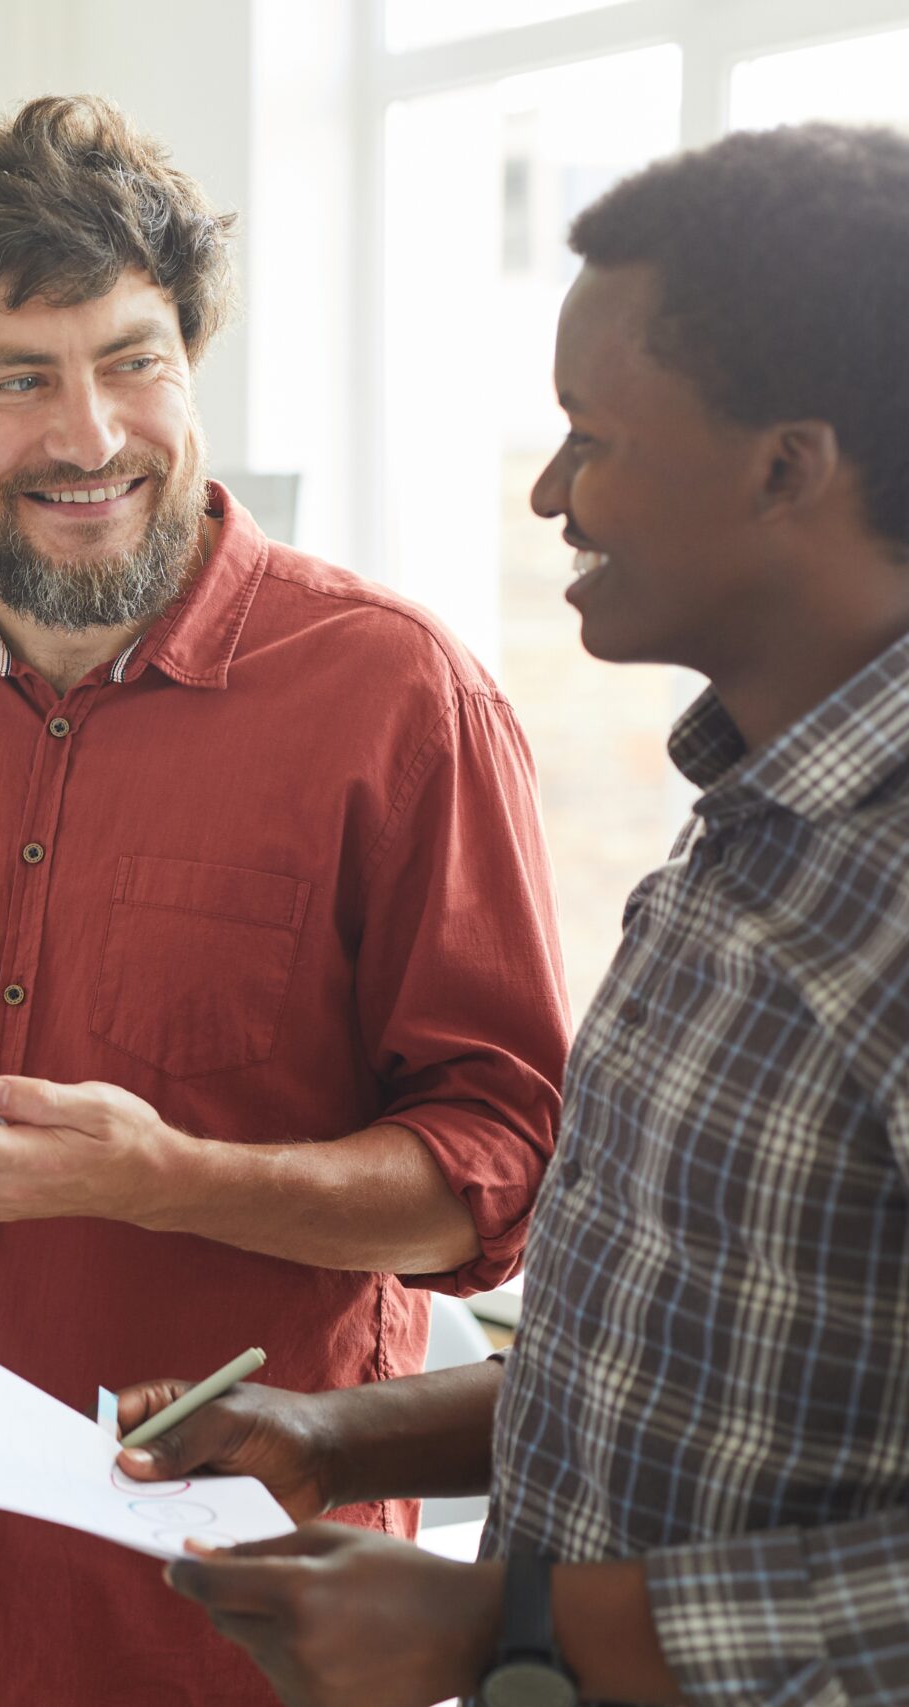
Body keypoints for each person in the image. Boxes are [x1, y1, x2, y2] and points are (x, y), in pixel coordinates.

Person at [0, 96, 571, 1706]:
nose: (91, 436)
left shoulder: (398, 700)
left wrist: (163, 1178)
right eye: (16, 379)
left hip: (208, 1635)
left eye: (135, 361)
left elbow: (500, 1184)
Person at [144, 121, 909, 1707]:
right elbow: (671, 1373)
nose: (553, 492)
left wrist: (517, 1626)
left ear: (787, 467)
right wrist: (333, 1431)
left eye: (590, 435)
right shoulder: (737, 850)